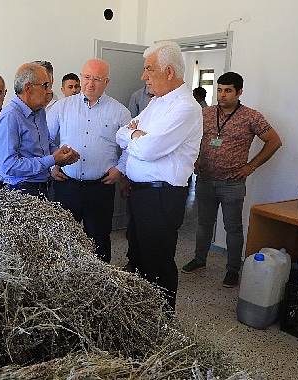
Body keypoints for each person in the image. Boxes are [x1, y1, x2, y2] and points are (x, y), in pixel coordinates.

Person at [115, 41, 203, 312]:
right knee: (139, 258)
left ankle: (163, 323)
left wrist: (137, 137)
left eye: (148, 69)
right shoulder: (157, 103)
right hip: (142, 193)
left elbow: (150, 149)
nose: (144, 76)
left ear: (168, 71)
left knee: (158, 263)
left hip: (161, 196)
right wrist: (135, 135)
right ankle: (143, 317)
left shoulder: (185, 108)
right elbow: (120, 134)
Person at [181, 72, 282, 287]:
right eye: (219, 90)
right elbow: (193, 138)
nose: (222, 95)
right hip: (206, 179)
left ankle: (233, 270)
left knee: (233, 228)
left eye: (228, 90)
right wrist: (196, 160)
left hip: (231, 183)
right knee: (203, 224)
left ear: (239, 92)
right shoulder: (205, 114)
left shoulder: (251, 117)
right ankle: (200, 260)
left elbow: (274, 141)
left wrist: (250, 166)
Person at [47, 59, 131, 263]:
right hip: (67, 186)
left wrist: (120, 169)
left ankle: (102, 282)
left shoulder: (120, 112)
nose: (90, 83)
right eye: (86, 77)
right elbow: (46, 139)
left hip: (99, 188)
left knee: (99, 238)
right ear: (81, 76)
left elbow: (131, 147)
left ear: (107, 82)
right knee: (66, 239)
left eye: (97, 79)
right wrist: (52, 164)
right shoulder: (62, 107)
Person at [0, 62, 79, 197]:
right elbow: (9, 166)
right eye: (45, 85)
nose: (49, 90)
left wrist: (62, 154)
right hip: (21, 191)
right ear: (28, 88)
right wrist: (52, 159)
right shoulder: (10, 117)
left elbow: (45, 144)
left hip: (43, 186)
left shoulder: (39, 112)